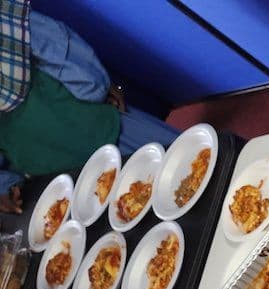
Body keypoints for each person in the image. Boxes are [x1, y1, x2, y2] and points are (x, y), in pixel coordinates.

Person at [0, 3, 178, 214]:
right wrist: (5, 185)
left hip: (95, 132)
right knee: (142, 211)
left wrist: (99, 87)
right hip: (61, 177)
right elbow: (53, 44)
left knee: (182, 167)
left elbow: (52, 43)